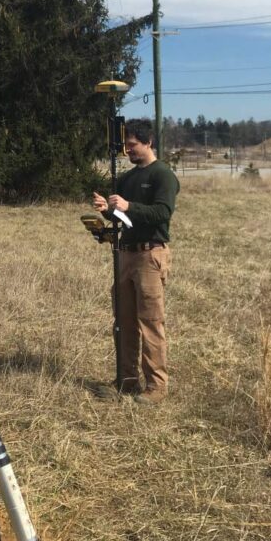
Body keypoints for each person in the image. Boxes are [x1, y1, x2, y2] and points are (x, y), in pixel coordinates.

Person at [92, 119, 180, 405]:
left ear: (148, 142)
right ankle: (127, 380)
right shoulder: (128, 179)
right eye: (126, 146)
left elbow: (161, 213)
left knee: (151, 322)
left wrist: (129, 205)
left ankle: (156, 386)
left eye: (133, 145)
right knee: (124, 321)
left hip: (150, 255)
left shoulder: (162, 175)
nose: (128, 150)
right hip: (126, 254)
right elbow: (124, 219)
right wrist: (108, 211)